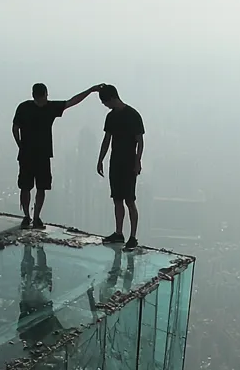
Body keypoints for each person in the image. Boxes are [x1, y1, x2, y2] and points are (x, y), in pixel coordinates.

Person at [12, 82, 102, 229]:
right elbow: (72, 102)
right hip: (41, 155)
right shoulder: (49, 107)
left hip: (28, 154)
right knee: (37, 187)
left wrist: (20, 145)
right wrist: (91, 90)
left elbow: (15, 128)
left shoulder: (24, 107)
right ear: (45, 94)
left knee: (28, 187)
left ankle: (29, 217)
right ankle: (34, 218)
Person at [96, 84, 145, 252]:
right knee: (117, 199)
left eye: (105, 102)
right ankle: (119, 233)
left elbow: (140, 141)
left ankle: (133, 236)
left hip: (129, 162)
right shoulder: (111, 117)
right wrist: (100, 159)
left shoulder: (133, 115)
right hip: (115, 161)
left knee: (129, 200)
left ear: (111, 98)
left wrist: (138, 161)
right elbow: (107, 139)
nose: (105, 105)